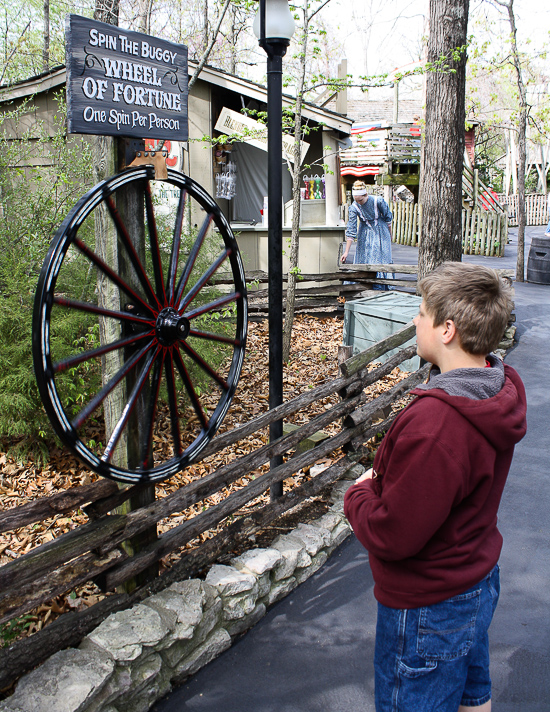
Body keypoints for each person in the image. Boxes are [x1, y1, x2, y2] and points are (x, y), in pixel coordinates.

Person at [344, 262, 527, 712]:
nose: (414, 320)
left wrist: (358, 495)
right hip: (476, 580)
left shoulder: (437, 425)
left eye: (421, 312)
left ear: (447, 329)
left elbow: (395, 535)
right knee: (472, 694)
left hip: (430, 605)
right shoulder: (497, 384)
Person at [341, 180, 393, 288]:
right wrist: (346, 252)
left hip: (380, 231)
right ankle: (363, 286)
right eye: (356, 200)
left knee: (379, 258)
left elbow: (388, 218)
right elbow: (351, 229)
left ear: (366, 195)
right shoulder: (354, 207)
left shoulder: (377, 201)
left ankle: (381, 287)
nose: (359, 203)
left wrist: (389, 235)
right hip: (364, 232)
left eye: (360, 200)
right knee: (364, 257)